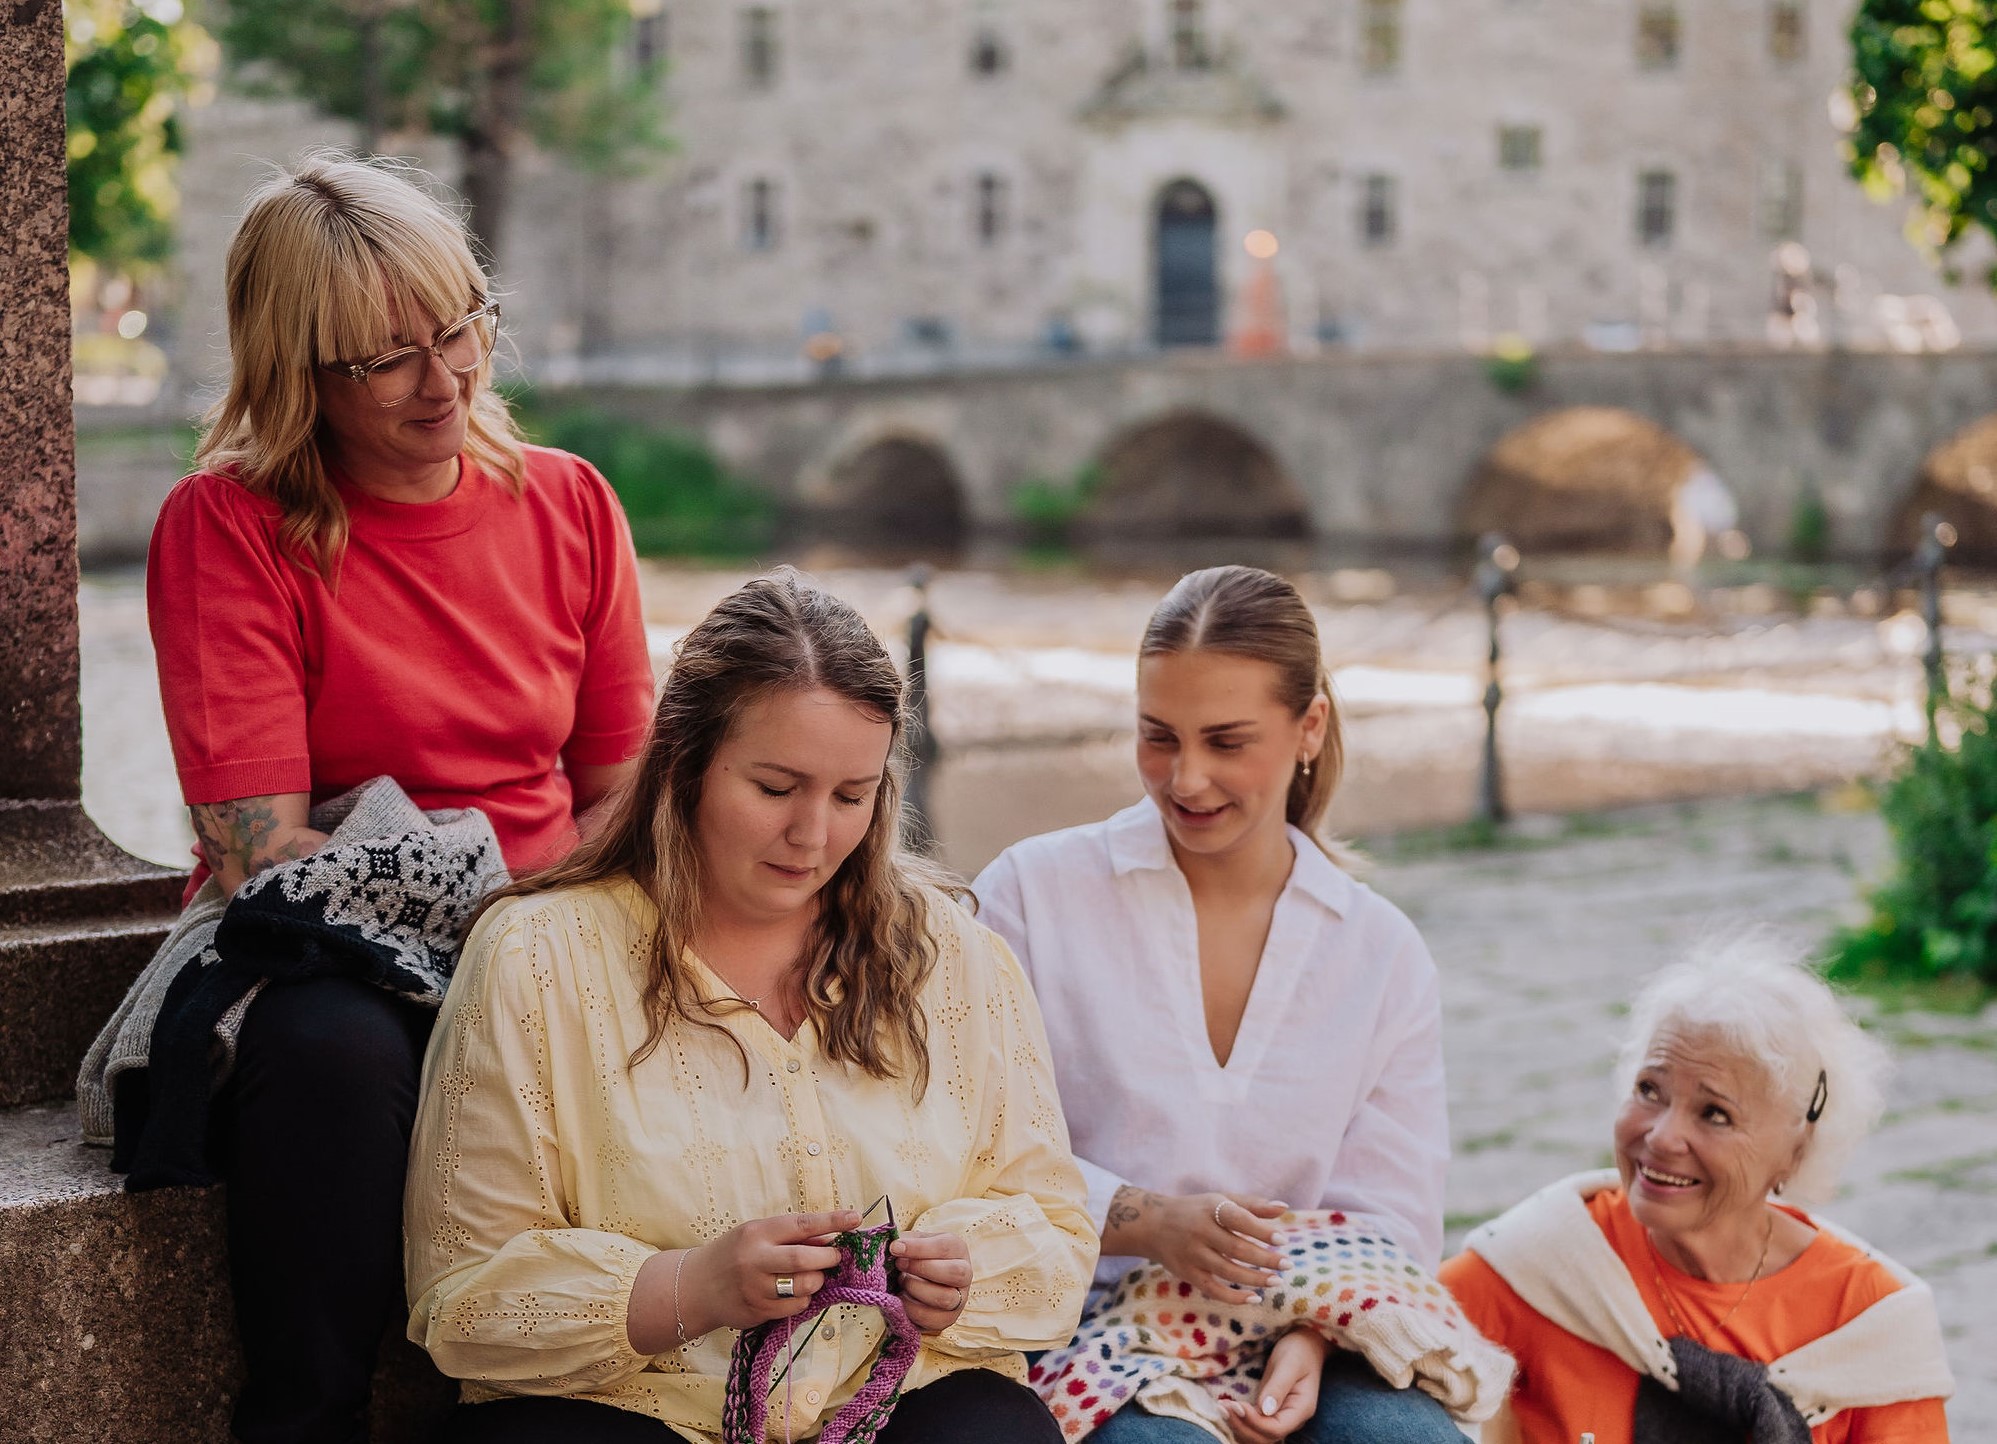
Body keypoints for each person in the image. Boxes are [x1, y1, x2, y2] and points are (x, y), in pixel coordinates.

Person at [143, 153, 654, 1442]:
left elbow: (619, 794)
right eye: (384, 360)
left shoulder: (573, 503)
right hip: (333, 948)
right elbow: (262, 848)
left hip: (554, 931)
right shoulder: (229, 525)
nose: (447, 380)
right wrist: (501, 925)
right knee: (328, 1054)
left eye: (460, 326)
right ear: (297, 371)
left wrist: (554, 937)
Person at [405, 570, 1096, 1443]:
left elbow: (1060, 1238)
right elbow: (462, 1297)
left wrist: (966, 1278)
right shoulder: (536, 956)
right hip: (628, 1417)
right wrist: (687, 1289)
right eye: (775, 788)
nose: (814, 836)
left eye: (853, 796)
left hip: (898, 1406)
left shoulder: (953, 954)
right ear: (684, 764)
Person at [973, 565, 1461, 1443]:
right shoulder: (1029, 895)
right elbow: (968, 1142)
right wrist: (1145, 1222)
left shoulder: (1379, 951)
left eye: (1226, 742)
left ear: (1307, 727)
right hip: (1078, 1330)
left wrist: (1312, 1339)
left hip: (1309, 1326)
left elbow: (1391, 1215)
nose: (1185, 778)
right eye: (1158, 736)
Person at [1441, 938, 1955, 1443]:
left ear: (1795, 1152)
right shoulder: (1543, 1263)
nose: (1662, 1136)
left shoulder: (1869, 1325)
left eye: (1715, 1113)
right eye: (1649, 1090)